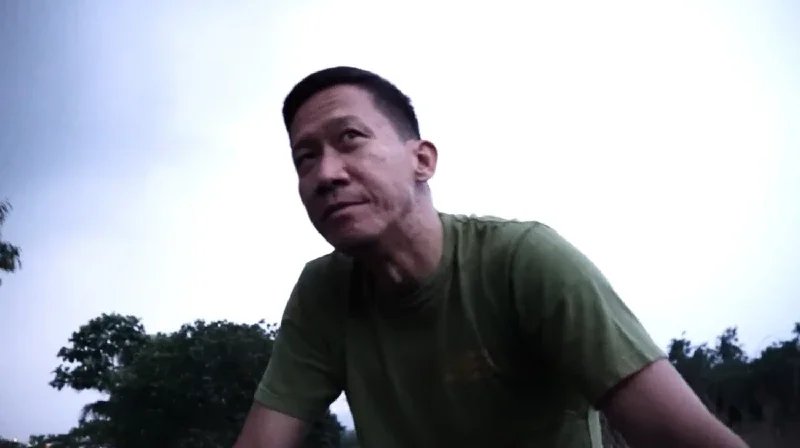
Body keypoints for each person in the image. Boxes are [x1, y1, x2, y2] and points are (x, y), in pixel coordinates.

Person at [233, 66, 746, 448]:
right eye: (305, 158)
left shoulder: (524, 262)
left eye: (350, 139)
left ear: (422, 160)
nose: (325, 174)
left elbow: (683, 438)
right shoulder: (322, 295)